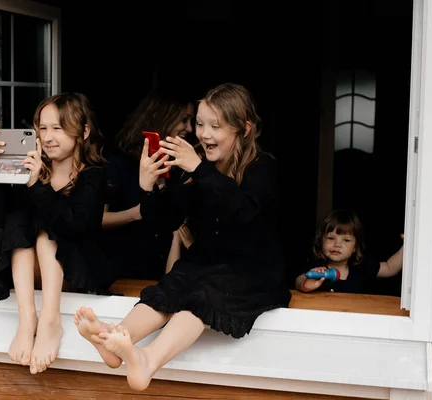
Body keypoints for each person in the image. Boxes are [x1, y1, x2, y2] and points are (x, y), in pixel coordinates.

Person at [75, 83, 292, 391]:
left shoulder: (262, 166)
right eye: (200, 124)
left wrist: (200, 169)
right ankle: (114, 338)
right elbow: (167, 221)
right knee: (172, 286)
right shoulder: (193, 165)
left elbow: (243, 213)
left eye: (215, 126)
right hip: (204, 262)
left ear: (243, 129)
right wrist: (149, 186)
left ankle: (148, 359)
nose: (203, 134)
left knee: (204, 294)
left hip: (251, 272)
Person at [0, 92, 112, 374]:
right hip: (36, 275)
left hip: (79, 269)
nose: (49, 136)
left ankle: (51, 320)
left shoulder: (93, 175)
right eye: (43, 128)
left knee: (45, 228)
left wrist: (36, 186)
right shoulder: (33, 167)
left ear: (83, 131)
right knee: (20, 215)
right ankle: (28, 319)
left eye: (59, 128)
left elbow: (75, 227)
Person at [102, 89, 195, 280]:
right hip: (124, 273)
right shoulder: (119, 163)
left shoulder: (180, 166)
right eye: (184, 120)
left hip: (167, 272)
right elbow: (98, 219)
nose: (190, 128)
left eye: (192, 121)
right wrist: (138, 212)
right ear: (161, 117)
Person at [295, 209, 404, 294]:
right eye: (331, 238)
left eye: (346, 240)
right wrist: (305, 284)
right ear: (320, 241)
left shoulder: (361, 267)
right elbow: (299, 280)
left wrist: (407, 246)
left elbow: (390, 268)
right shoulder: (318, 267)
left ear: (355, 247)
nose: (337, 244)